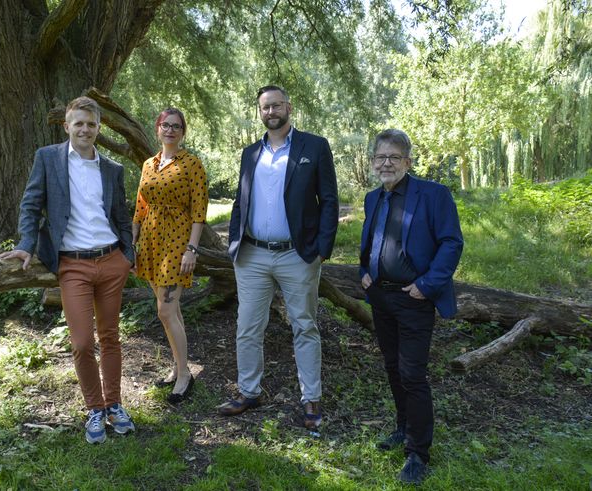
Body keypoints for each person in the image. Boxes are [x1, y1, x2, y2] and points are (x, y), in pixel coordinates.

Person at [0, 96, 136, 444]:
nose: (85, 129)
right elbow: (31, 204)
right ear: (67, 126)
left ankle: (114, 404)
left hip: (111, 261)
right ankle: (94, 408)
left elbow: (121, 216)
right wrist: (26, 244)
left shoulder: (112, 169)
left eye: (91, 124)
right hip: (72, 264)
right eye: (79, 123)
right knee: (81, 342)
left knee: (110, 337)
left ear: (98, 128)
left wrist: (127, 256)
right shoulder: (48, 159)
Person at [218, 85, 339, 430]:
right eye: (264, 107)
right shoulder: (250, 153)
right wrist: (235, 246)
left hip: (297, 255)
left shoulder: (314, 147)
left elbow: (329, 200)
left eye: (276, 105)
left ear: (288, 106)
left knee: (304, 326)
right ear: (260, 112)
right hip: (252, 255)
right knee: (247, 327)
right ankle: (249, 391)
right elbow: (241, 201)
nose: (271, 111)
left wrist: (320, 250)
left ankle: (311, 398)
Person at [360, 129, 463, 484]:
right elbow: (370, 240)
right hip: (381, 297)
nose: (386, 163)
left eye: (393, 157)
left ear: (407, 161)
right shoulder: (373, 198)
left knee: (412, 374)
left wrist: (427, 285)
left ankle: (418, 453)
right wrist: (364, 272)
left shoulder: (433, 195)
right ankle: (403, 429)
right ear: (373, 162)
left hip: (414, 298)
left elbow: (451, 243)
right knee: (392, 367)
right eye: (380, 157)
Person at [132, 108, 208, 404]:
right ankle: (177, 366)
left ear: (183, 132)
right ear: (158, 129)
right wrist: (133, 236)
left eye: (177, 126)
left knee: (165, 310)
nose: (171, 130)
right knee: (170, 311)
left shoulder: (191, 164)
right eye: (166, 125)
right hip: (151, 242)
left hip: (177, 242)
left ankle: (186, 374)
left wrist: (192, 248)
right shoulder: (149, 163)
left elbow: (200, 210)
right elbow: (141, 204)